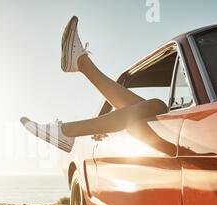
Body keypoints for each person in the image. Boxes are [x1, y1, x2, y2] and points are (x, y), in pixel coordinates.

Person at [20, 16, 168, 153]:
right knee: (155, 107)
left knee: (156, 107)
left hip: (185, 148)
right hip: (180, 141)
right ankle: (81, 64)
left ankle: (66, 130)